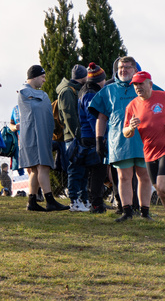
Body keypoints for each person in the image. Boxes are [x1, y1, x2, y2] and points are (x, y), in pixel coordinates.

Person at [89, 56, 154, 222]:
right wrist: (98, 139)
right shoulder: (108, 90)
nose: (123, 70)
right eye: (120, 68)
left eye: (127, 67)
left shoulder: (144, 85)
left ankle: (145, 212)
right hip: (119, 142)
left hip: (143, 141)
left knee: (144, 176)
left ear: (135, 70)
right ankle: (127, 211)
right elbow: (101, 117)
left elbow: (164, 102)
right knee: (123, 177)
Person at [123, 71, 165, 236]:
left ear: (150, 83)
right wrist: (131, 127)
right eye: (135, 84)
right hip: (149, 153)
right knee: (162, 192)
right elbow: (125, 132)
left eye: (141, 83)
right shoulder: (132, 106)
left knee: (164, 185)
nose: (138, 87)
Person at [18, 65, 69, 212]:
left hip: (38, 134)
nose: (44, 80)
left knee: (35, 169)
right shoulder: (24, 92)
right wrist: (45, 98)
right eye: (42, 77)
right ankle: (50, 200)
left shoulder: (35, 94)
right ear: (34, 76)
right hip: (36, 135)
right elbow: (38, 108)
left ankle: (32, 201)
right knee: (42, 167)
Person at [56, 64, 89, 212]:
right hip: (73, 138)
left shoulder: (73, 89)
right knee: (75, 169)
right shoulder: (68, 92)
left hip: (77, 136)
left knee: (82, 169)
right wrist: (78, 134)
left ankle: (83, 199)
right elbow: (70, 116)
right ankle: (74, 201)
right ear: (83, 77)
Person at [77, 63, 108, 213]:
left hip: (89, 136)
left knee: (95, 172)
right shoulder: (91, 93)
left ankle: (95, 201)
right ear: (99, 80)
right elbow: (93, 118)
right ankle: (96, 203)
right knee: (98, 171)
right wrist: (100, 137)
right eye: (103, 79)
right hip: (92, 137)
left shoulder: (87, 91)